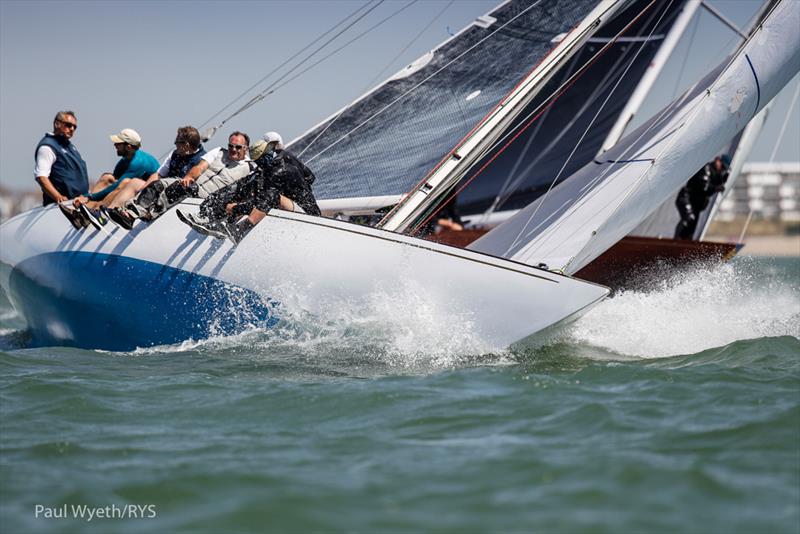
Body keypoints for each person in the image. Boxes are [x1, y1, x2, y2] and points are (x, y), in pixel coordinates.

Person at [177, 131, 321, 243]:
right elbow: (310, 177)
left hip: (308, 215)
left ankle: (239, 231)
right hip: (290, 204)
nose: (258, 165)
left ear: (264, 157)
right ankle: (207, 215)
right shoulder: (285, 156)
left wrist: (236, 208)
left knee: (271, 195)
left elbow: (263, 200)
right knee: (244, 183)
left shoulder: (277, 171)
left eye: (259, 162)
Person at [110, 131, 253, 229]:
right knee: (159, 184)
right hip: (194, 183)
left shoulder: (249, 168)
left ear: (246, 148)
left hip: (208, 195)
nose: (233, 149)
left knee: (178, 189)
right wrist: (189, 177)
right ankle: (130, 213)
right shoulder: (219, 151)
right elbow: (200, 167)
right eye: (231, 146)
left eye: (238, 147)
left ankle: (149, 214)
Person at [104, 126, 205, 227]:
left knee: (145, 185)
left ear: (186, 145)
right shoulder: (175, 154)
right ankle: (109, 214)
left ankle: (129, 214)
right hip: (159, 186)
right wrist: (145, 190)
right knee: (134, 183)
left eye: (177, 142)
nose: (175, 144)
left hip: (174, 195)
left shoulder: (202, 160)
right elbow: (159, 174)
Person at [60, 128, 160, 229]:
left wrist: (88, 196)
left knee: (124, 182)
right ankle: (84, 212)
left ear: (128, 147)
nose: (114, 145)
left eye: (118, 143)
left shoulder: (137, 162)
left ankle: (100, 214)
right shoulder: (126, 159)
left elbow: (116, 186)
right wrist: (90, 198)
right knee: (107, 178)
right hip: (133, 186)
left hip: (148, 193)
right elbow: (113, 181)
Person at [35, 111, 89, 208]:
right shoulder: (48, 147)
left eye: (74, 127)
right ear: (57, 124)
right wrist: (57, 196)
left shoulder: (70, 146)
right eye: (68, 125)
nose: (72, 129)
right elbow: (41, 177)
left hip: (78, 204)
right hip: (61, 207)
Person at [674, 154, 730, 240]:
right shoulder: (706, 168)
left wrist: (722, 181)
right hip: (686, 198)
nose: (721, 169)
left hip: (696, 205)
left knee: (692, 227)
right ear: (717, 160)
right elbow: (704, 187)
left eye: (724, 169)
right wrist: (716, 187)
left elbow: (712, 189)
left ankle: (686, 245)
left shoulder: (718, 176)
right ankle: (675, 241)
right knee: (689, 218)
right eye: (722, 166)